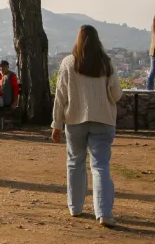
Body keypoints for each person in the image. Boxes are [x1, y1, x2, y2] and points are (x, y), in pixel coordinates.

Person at [51, 25, 123, 228]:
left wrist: (56, 124)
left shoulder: (68, 63)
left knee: (75, 163)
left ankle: (75, 207)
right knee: (100, 166)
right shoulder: (106, 63)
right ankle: (104, 213)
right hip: (103, 120)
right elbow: (116, 94)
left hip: (74, 120)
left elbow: (60, 96)